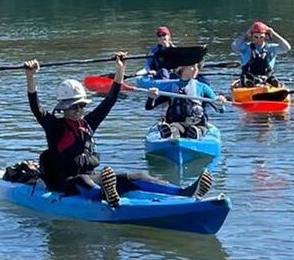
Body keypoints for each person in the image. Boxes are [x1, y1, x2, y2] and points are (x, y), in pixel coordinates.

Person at [24, 53, 212, 207]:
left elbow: (110, 99)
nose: (78, 111)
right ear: (63, 109)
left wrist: (120, 68)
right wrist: (31, 76)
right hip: (66, 183)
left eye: (81, 106)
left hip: (93, 178)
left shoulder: (87, 124)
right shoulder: (54, 127)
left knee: (138, 176)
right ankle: (106, 195)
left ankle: (183, 191)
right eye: (73, 107)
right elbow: (36, 107)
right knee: (82, 180)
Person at [146, 63, 227, 138]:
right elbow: (149, 107)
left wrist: (220, 103)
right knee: (174, 128)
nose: (196, 69)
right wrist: (151, 97)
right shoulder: (171, 87)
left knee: (196, 129)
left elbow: (220, 110)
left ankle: (195, 134)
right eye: (192, 66)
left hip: (197, 123)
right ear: (182, 68)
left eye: (197, 67)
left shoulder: (203, 87)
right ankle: (170, 133)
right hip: (176, 123)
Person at [230, 21, 291, 87]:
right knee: (247, 80)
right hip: (249, 79)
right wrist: (245, 36)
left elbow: (287, 47)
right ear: (252, 36)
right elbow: (234, 46)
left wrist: (273, 34)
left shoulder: (271, 48)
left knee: (272, 80)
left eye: (261, 37)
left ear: (265, 36)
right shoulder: (246, 48)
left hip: (266, 79)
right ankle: (249, 84)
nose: (259, 40)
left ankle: (273, 84)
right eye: (256, 37)